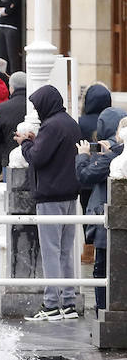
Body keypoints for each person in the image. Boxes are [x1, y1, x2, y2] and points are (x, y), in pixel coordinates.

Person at [15, 85, 83, 321]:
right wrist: (36, 140)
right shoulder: (70, 123)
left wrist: (25, 143)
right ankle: (69, 303)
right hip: (70, 195)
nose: (36, 111)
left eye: (37, 106)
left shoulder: (51, 125)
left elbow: (37, 157)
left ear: (45, 103)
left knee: (51, 251)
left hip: (50, 196)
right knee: (65, 252)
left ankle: (51, 304)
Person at [76, 108, 127, 310]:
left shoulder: (112, 156)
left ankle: (102, 310)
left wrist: (84, 156)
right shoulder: (112, 153)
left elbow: (85, 176)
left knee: (102, 268)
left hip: (105, 217)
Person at [78, 83, 116, 262]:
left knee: (88, 211)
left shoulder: (81, 122)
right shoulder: (113, 120)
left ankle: (88, 250)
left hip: (87, 175)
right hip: (106, 175)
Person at [0, 71, 28, 177]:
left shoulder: (2, 108)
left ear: (11, 88)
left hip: (9, 158)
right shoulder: (34, 105)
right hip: (32, 159)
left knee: (9, 191)